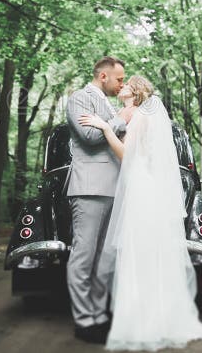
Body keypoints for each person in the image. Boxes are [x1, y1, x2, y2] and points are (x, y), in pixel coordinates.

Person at [79, 75, 202, 351]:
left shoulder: (139, 116)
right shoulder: (140, 116)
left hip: (140, 189)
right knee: (147, 254)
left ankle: (143, 322)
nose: (121, 86)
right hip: (145, 187)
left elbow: (127, 155)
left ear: (135, 91)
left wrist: (105, 128)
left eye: (126, 84)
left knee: (138, 254)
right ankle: (152, 316)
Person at [65, 56, 137, 344]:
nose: (122, 83)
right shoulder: (79, 98)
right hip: (90, 189)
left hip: (116, 190)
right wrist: (121, 119)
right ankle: (84, 321)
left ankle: (98, 316)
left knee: (105, 259)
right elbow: (89, 136)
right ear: (103, 76)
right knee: (84, 256)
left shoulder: (108, 105)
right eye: (119, 78)